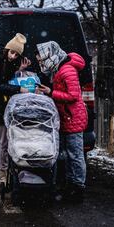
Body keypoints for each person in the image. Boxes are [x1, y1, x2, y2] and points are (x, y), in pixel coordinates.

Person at [35, 41, 88, 202]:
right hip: (66, 117)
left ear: (51, 56)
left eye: (43, 59)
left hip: (73, 118)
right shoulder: (59, 69)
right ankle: (70, 186)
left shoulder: (67, 71)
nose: (42, 63)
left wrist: (51, 92)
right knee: (68, 154)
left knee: (75, 155)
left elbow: (73, 96)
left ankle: (77, 188)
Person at [0, 33, 31, 188]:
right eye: (12, 52)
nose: (13, 56)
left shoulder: (8, 61)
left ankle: (13, 172)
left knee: (13, 141)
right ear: (7, 49)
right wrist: (19, 89)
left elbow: (7, 80)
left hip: (9, 106)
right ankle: (2, 175)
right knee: (4, 142)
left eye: (17, 54)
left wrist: (19, 71)